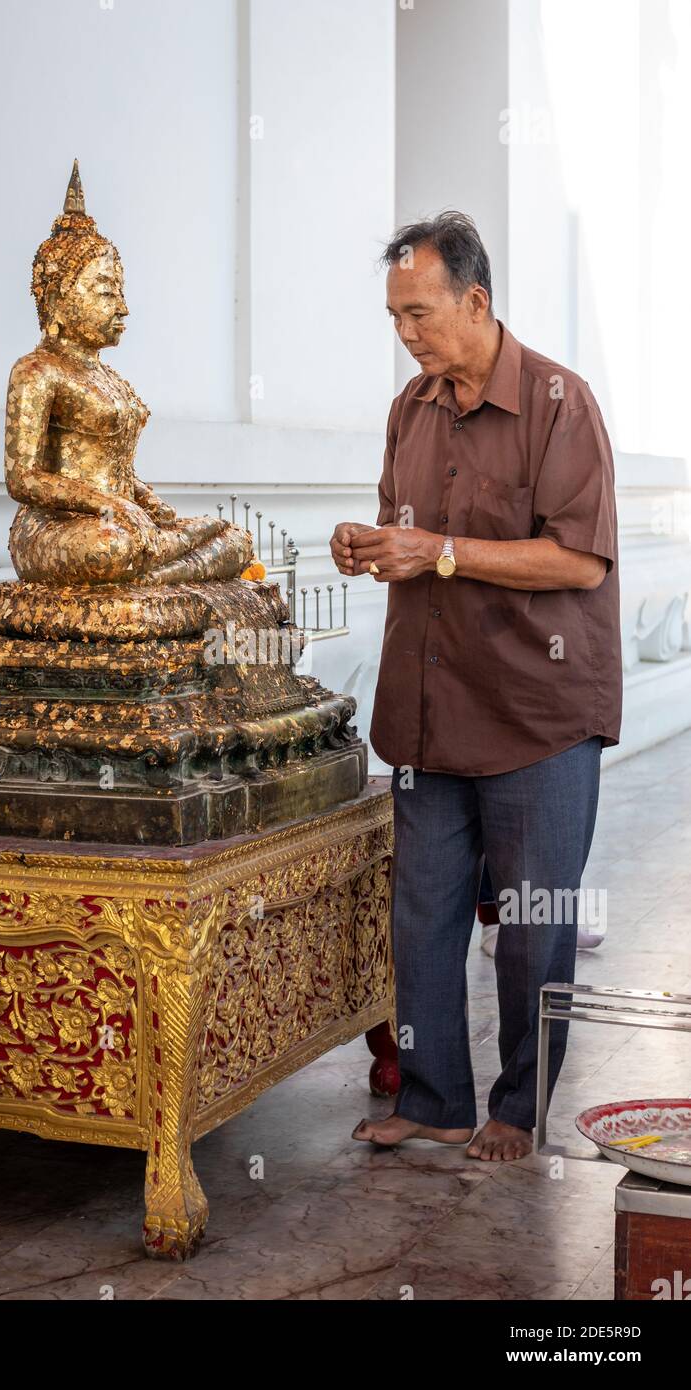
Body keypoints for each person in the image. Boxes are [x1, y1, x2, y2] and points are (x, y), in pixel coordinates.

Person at [333, 212, 621, 1161]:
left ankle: (517, 1107)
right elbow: (404, 535)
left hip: (535, 718)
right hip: (429, 715)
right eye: (393, 317)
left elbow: (581, 564)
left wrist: (443, 552)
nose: (406, 334)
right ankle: (432, 1098)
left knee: (535, 928)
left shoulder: (558, 403)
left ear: (477, 299)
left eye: (419, 313)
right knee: (420, 919)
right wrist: (369, 548)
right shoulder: (410, 408)